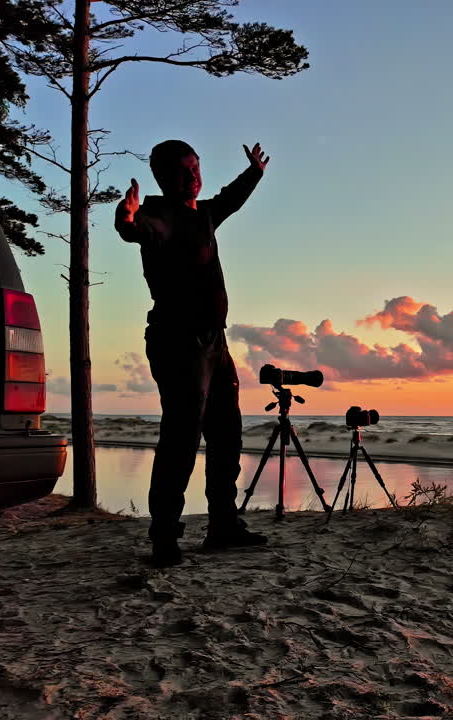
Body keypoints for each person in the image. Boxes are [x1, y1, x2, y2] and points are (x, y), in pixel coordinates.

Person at [116, 139, 270, 567]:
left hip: (213, 342)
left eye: (197, 167)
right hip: (177, 341)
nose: (193, 177)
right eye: (184, 171)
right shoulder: (157, 214)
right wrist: (124, 218)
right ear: (163, 176)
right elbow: (135, 229)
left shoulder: (202, 215)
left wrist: (254, 173)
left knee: (227, 434)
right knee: (181, 438)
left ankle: (223, 525)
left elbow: (228, 201)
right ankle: (164, 535)